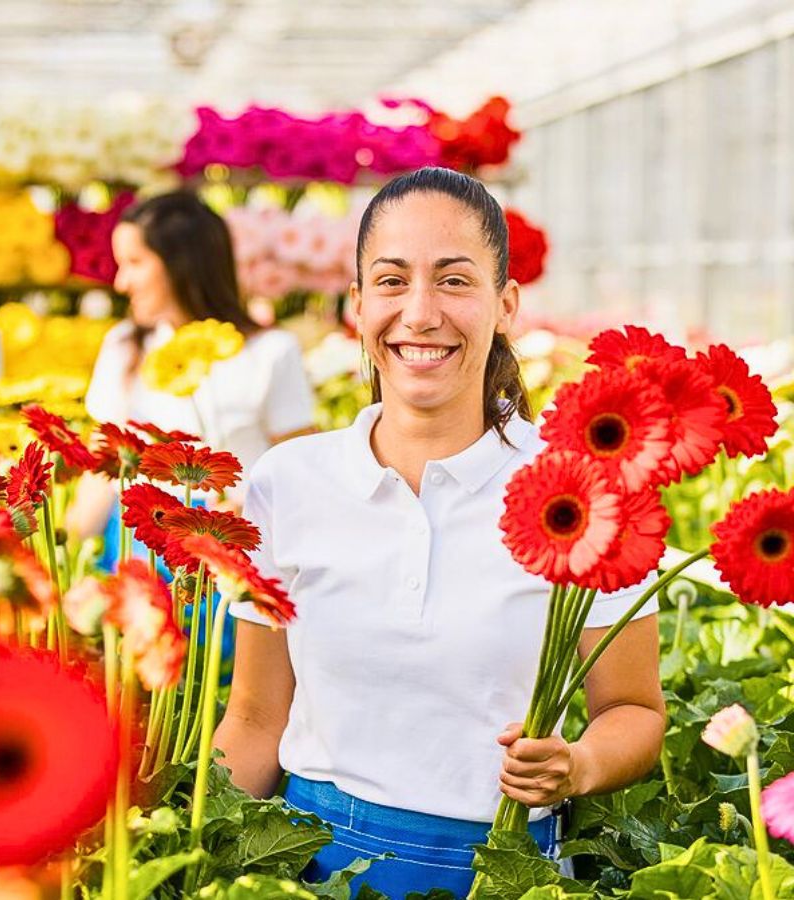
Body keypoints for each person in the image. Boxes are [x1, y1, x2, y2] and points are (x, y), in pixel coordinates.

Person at [214, 168, 665, 898]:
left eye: (454, 281)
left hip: (497, 870)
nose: (420, 314)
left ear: (506, 304)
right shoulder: (286, 483)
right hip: (305, 863)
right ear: (357, 306)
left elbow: (634, 711)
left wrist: (577, 765)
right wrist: (181, 842)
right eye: (391, 282)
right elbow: (257, 720)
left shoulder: (584, 493)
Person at [69, 191, 316, 556]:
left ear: (181, 264)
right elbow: (101, 467)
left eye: (135, 263)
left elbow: (300, 473)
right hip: (135, 545)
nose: (121, 283)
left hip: (233, 550)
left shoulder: (270, 351)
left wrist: (251, 514)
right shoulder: (124, 345)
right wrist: (62, 552)